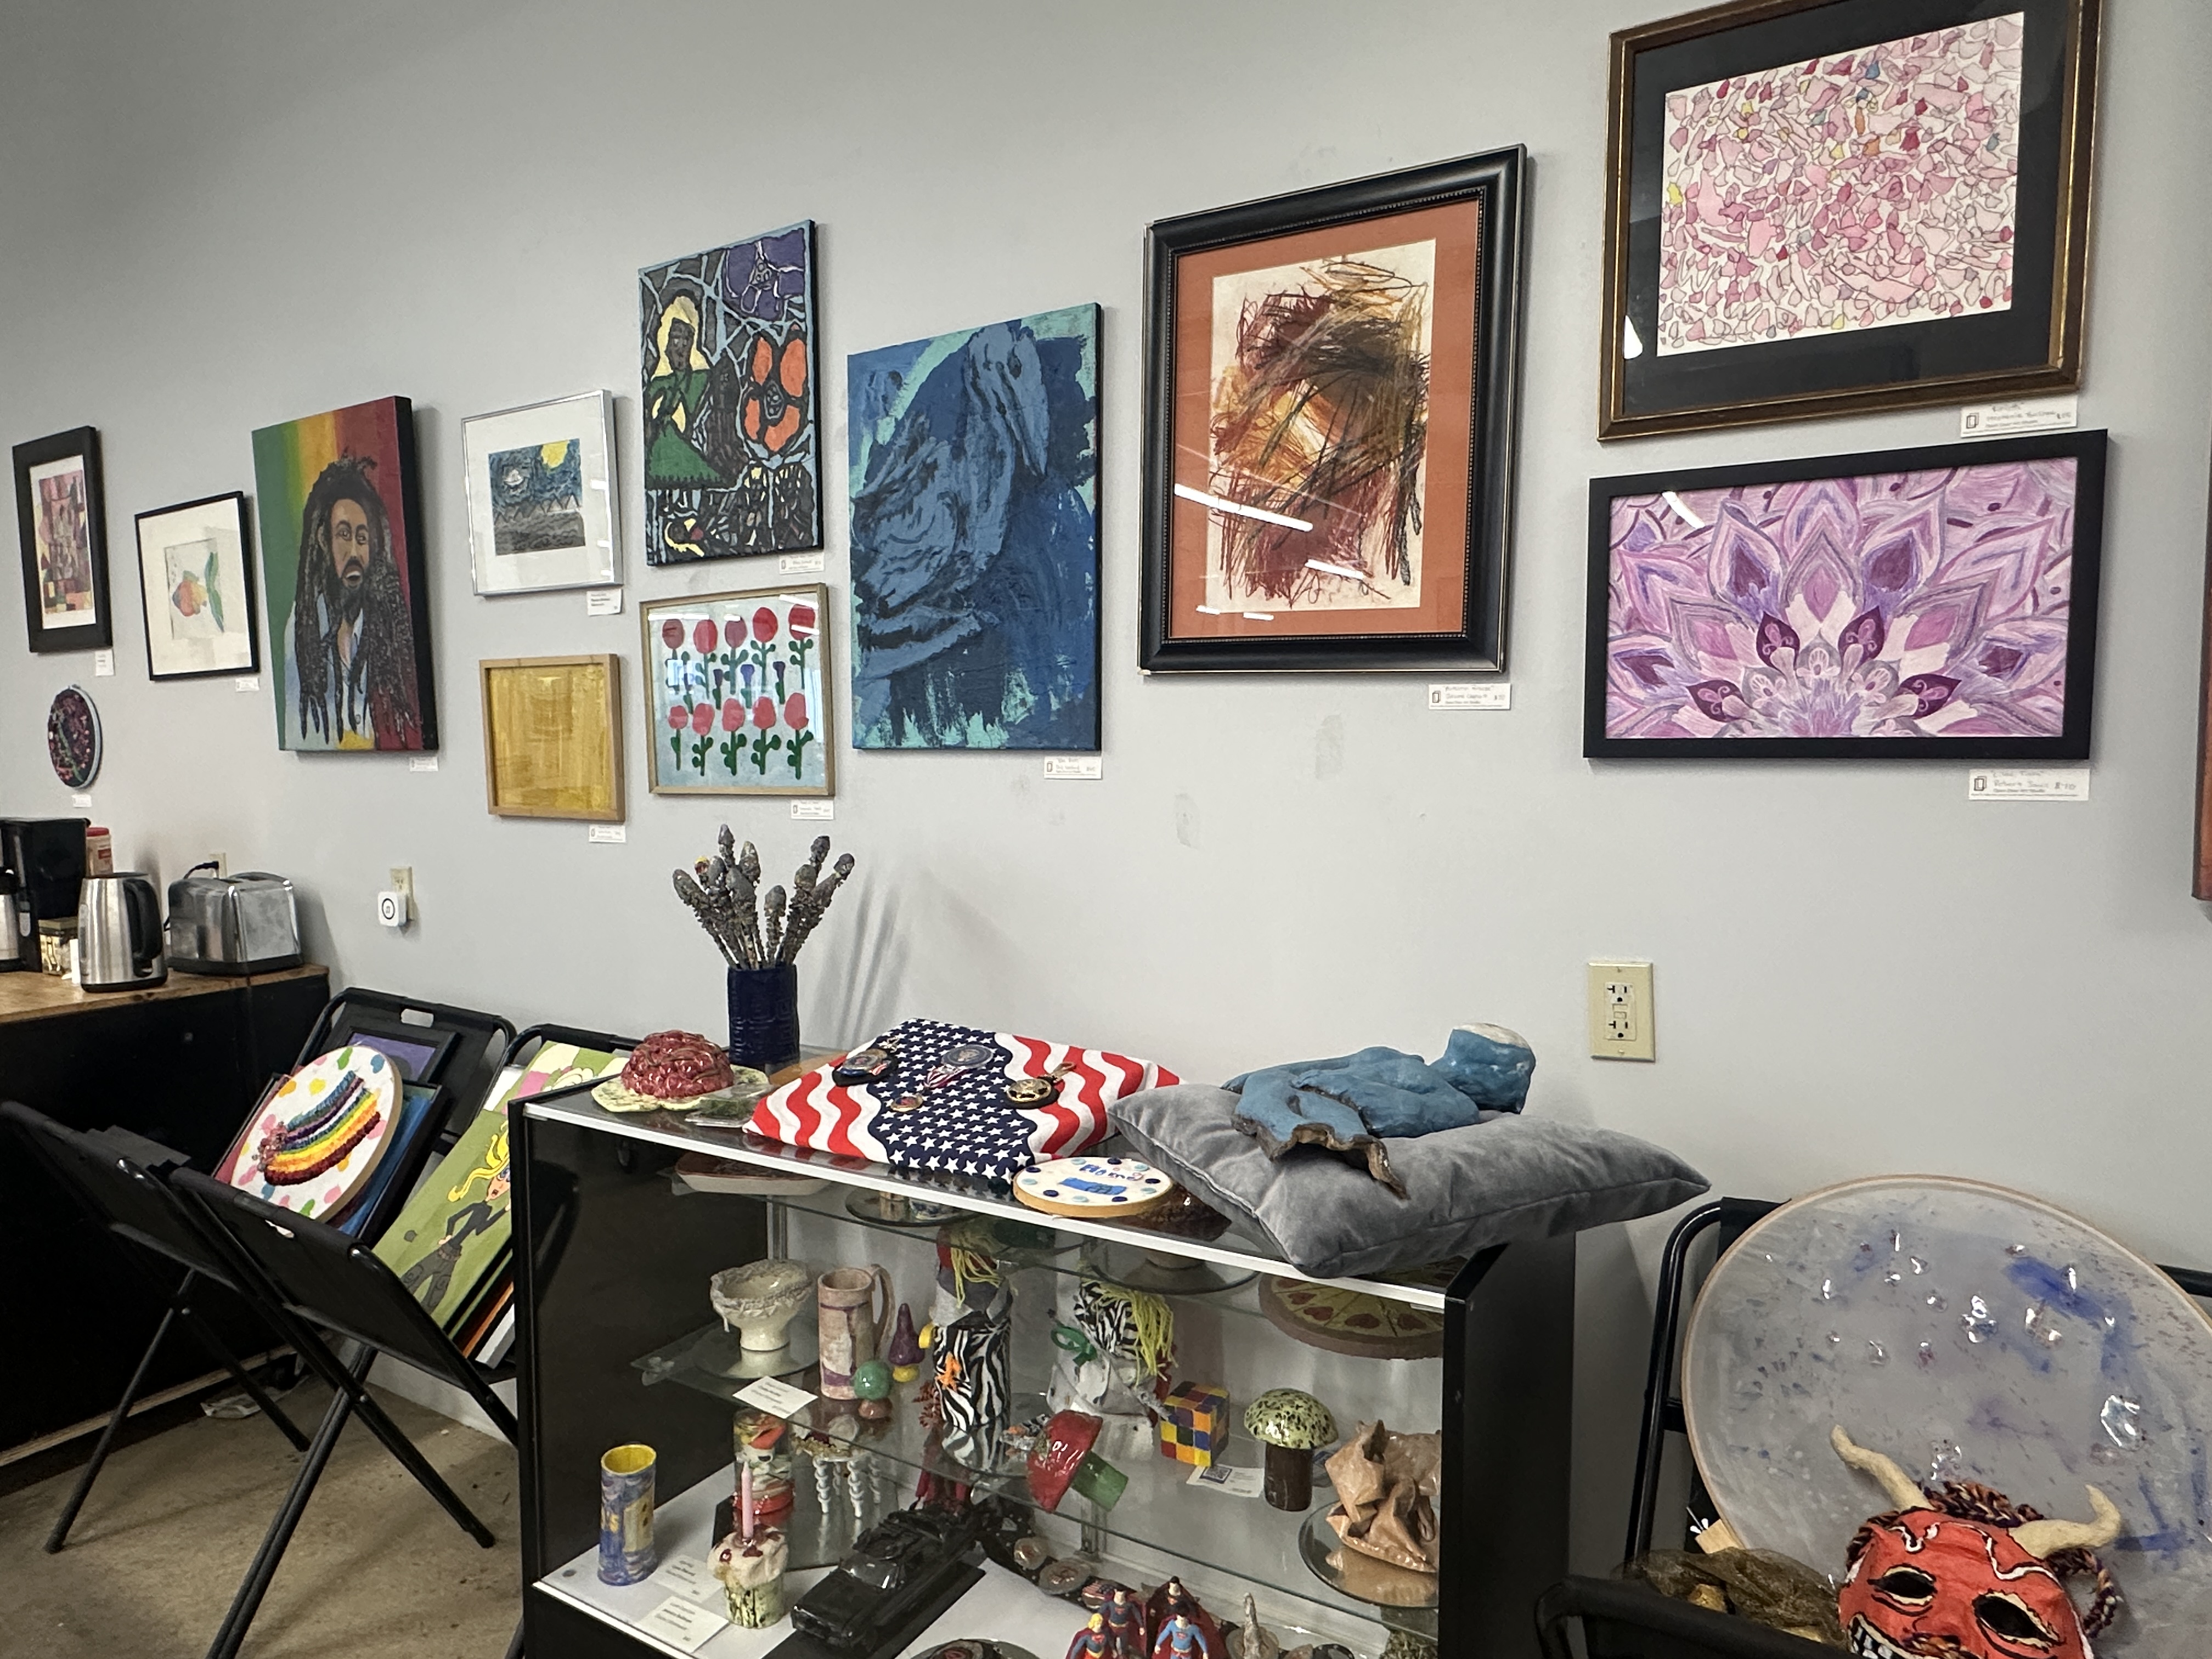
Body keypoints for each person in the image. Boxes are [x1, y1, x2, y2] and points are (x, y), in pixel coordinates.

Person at [284, 454, 422, 748]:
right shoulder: (304, 626)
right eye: (344, 535)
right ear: (324, 540)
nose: (355, 553)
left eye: (362, 538)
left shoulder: (388, 625)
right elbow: (300, 732)